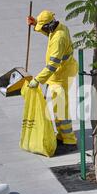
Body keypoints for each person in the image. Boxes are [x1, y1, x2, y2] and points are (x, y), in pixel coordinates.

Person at [27, 10, 78, 153]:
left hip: (61, 76)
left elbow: (52, 65)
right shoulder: (59, 27)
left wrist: (37, 79)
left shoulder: (59, 39)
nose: (43, 30)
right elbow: (49, 34)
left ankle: (69, 142)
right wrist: (36, 24)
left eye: (43, 27)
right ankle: (62, 136)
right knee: (55, 107)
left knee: (60, 109)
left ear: (49, 25)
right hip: (59, 75)